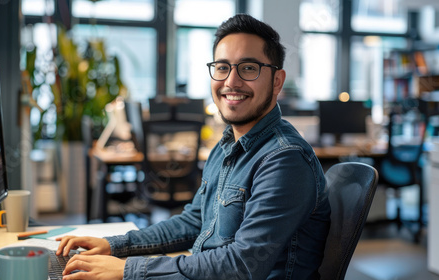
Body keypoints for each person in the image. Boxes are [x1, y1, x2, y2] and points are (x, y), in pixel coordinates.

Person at [57, 14, 331, 280]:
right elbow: (194, 222)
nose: (231, 82)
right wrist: (114, 246)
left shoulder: (284, 160)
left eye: (248, 68)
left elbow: (242, 267)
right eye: (222, 67)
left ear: (277, 81)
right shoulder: (226, 147)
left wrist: (127, 270)